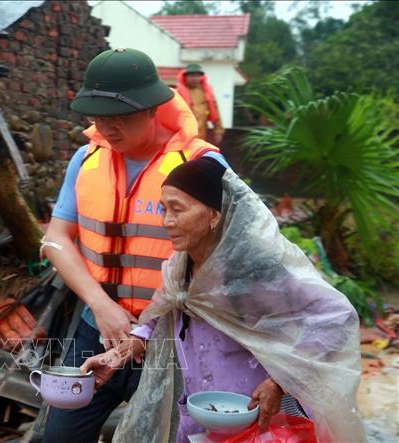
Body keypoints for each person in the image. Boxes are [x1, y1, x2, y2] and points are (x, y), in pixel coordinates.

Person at [81, 158, 366, 443]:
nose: (166, 221)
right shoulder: (179, 269)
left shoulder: (258, 272)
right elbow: (160, 319)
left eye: (177, 209)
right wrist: (116, 356)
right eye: (164, 209)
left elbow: (335, 319)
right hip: (200, 419)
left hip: (257, 421)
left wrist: (280, 382)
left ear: (215, 215)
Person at [40, 48, 230, 443]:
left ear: (152, 109)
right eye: (98, 119)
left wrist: (147, 328)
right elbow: (57, 238)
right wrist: (101, 306)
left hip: (174, 341)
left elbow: (236, 258)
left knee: (168, 436)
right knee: (59, 434)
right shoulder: (85, 159)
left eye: (120, 119)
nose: (107, 130)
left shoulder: (202, 166)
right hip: (98, 331)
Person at [176, 64, 224, 145]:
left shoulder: (207, 92)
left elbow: (215, 112)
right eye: (191, 75)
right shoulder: (177, 93)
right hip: (182, 136)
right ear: (185, 77)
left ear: (201, 77)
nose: (194, 78)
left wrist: (218, 131)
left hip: (202, 135)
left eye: (197, 75)